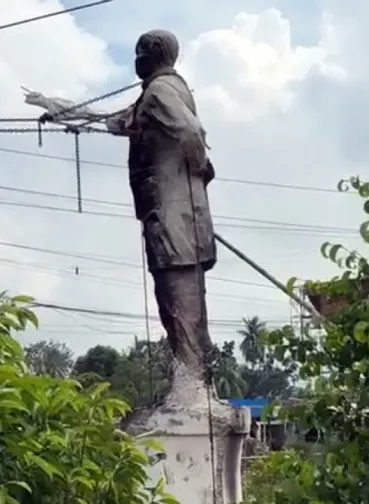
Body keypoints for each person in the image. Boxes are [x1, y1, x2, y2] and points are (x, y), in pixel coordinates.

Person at [107, 30, 218, 386]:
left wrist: (200, 167)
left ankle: (191, 392)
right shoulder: (160, 93)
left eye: (138, 53)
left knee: (179, 310)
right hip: (177, 222)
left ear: (149, 55)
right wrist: (57, 108)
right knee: (183, 311)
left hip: (174, 224)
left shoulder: (158, 92)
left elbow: (190, 131)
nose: (135, 60)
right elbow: (118, 122)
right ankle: (192, 386)